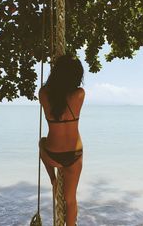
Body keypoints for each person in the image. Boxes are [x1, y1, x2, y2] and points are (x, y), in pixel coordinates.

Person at [38, 54, 85, 226]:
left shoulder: (44, 94)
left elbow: (51, 89)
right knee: (70, 200)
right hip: (74, 155)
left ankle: (53, 179)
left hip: (53, 155)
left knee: (41, 143)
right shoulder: (80, 94)